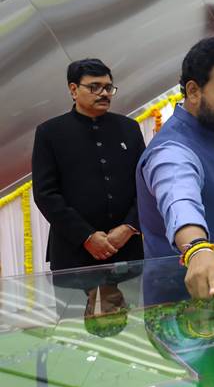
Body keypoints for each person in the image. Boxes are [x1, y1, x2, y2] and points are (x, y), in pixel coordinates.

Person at [136, 36, 214, 301]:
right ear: (193, 91)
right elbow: (179, 196)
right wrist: (198, 249)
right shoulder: (172, 150)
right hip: (185, 311)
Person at [32, 58, 145, 272]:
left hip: (125, 247)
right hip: (73, 249)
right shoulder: (50, 132)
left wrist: (129, 227)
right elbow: (45, 194)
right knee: (74, 297)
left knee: (129, 296)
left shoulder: (129, 128)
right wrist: (86, 236)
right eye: (94, 87)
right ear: (74, 90)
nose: (104, 93)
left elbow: (146, 184)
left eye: (108, 87)